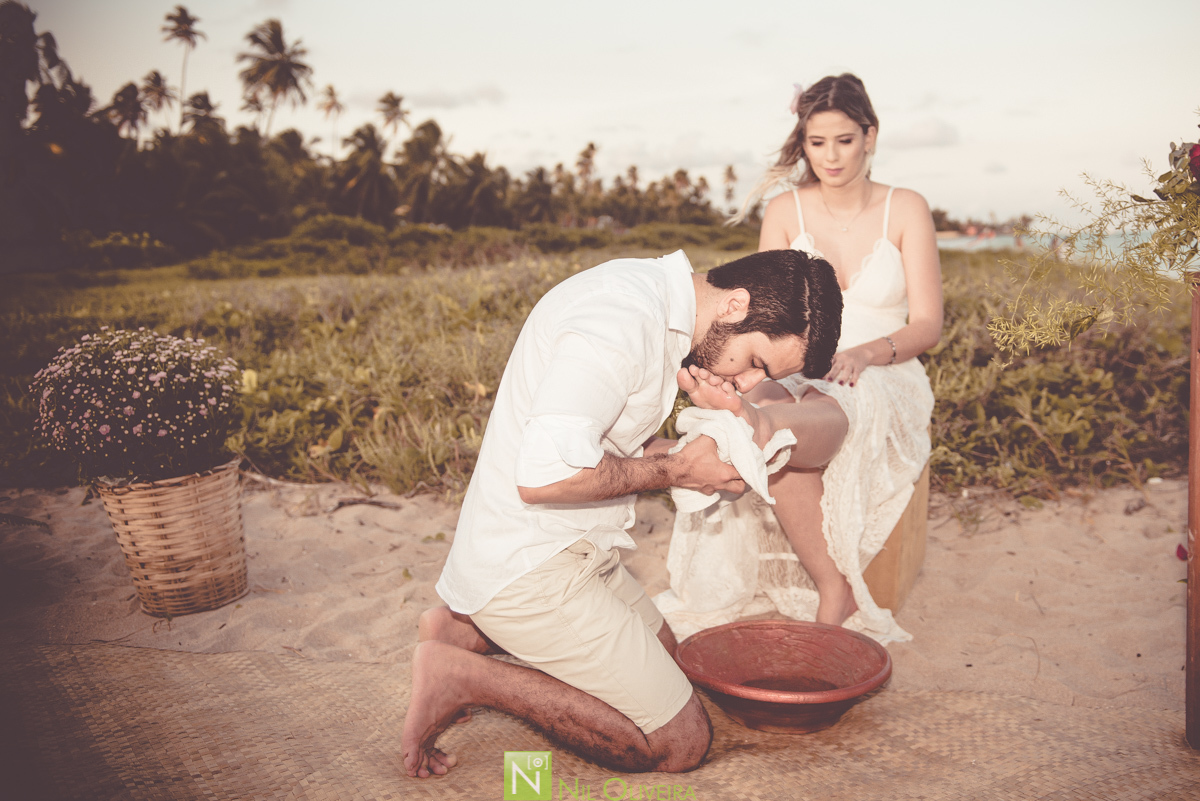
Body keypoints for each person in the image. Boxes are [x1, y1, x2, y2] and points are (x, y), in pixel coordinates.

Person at [401, 248, 842, 778]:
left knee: (670, 655)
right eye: (756, 363)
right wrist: (679, 471)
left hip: (584, 545)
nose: (748, 383)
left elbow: (606, 440)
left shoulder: (656, 305)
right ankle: (460, 674)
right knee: (679, 742)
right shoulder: (619, 321)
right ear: (734, 305)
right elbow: (543, 477)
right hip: (531, 564)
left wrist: (698, 459)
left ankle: (465, 632)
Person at [659, 73, 943, 643]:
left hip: (881, 364)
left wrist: (865, 353)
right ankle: (766, 426)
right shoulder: (785, 208)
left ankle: (766, 429)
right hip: (793, 357)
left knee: (833, 397)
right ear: (803, 142)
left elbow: (928, 325)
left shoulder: (906, 207)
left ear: (870, 135)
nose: (830, 156)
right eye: (817, 143)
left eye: (843, 140)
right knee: (771, 393)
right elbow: (767, 313)